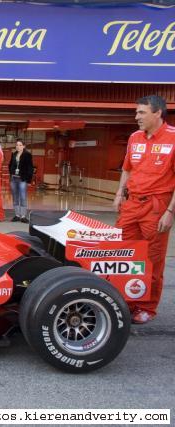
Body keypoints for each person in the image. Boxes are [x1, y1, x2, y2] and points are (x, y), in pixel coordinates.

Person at [113, 95, 175, 324]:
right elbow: (127, 169)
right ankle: (126, 300)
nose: (136, 116)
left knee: (153, 258)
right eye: (136, 112)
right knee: (123, 253)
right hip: (131, 205)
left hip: (156, 206)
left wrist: (170, 212)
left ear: (158, 113)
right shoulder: (134, 137)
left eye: (141, 112)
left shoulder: (173, 138)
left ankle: (147, 306)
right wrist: (120, 193)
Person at [9, 138, 34, 223]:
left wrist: (29, 180)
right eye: (17, 145)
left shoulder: (27, 155)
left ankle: (23, 216)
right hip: (13, 179)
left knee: (23, 197)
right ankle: (17, 215)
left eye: (20, 145)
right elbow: (10, 165)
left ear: (24, 146)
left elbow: (30, 168)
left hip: (22, 179)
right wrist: (11, 173)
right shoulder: (14, 154)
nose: (18, 147)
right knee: (15, 198)